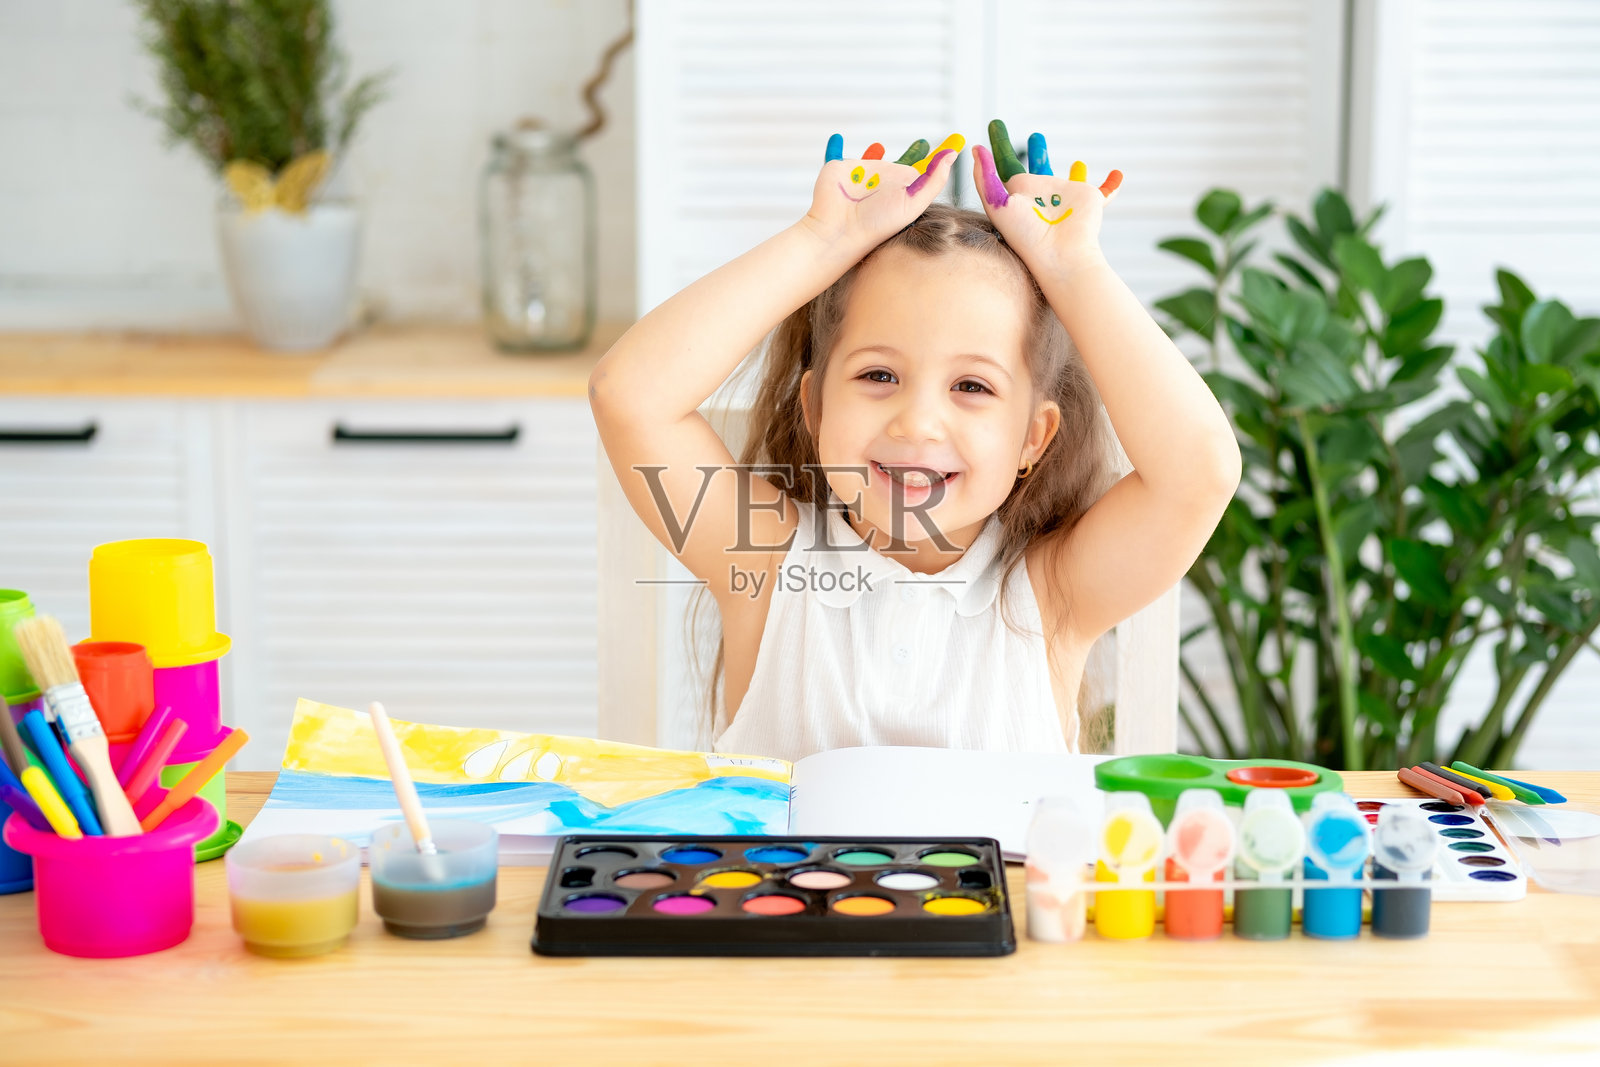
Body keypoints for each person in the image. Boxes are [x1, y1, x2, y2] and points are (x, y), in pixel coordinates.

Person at [588, 122, 1241, 761]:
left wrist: (1073, 269)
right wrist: (821, 242)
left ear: (1032, 439)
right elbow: (629, 393)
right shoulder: (766, 563)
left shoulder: (1051, 594)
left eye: (972, 387)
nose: (917, 423)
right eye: (879, 375)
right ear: (814, 406)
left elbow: (1201, 471)